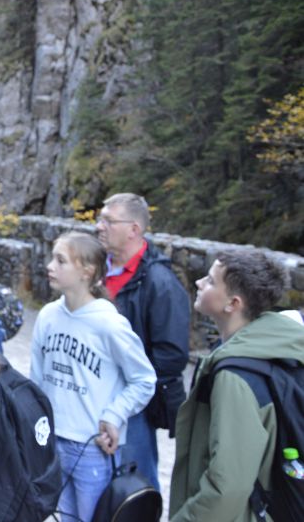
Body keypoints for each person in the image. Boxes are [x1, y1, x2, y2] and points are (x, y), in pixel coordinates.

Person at [169, 251, 304, 521]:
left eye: (210, 281)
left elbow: (228, 486)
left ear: (233, 303)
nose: (198, 283)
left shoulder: (234, 376)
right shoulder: (278, 343)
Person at [31, 232, 156, 522]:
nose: (50, 266)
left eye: (61, 261)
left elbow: (143, 380)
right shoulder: (48, 315)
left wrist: (114, 414)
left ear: (86, 271)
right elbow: (36, 379)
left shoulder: (109, 324)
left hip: (91, 447)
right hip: (52, 440)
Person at [95, 193, 189, 490]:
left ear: (133, 229)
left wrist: (130, 390)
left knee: (134, 487)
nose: (99, 226)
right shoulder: (94, 268)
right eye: (100, 219)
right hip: (91, 394)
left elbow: (172, 355)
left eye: (108, 221)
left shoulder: (160, 282)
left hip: (131, 406)